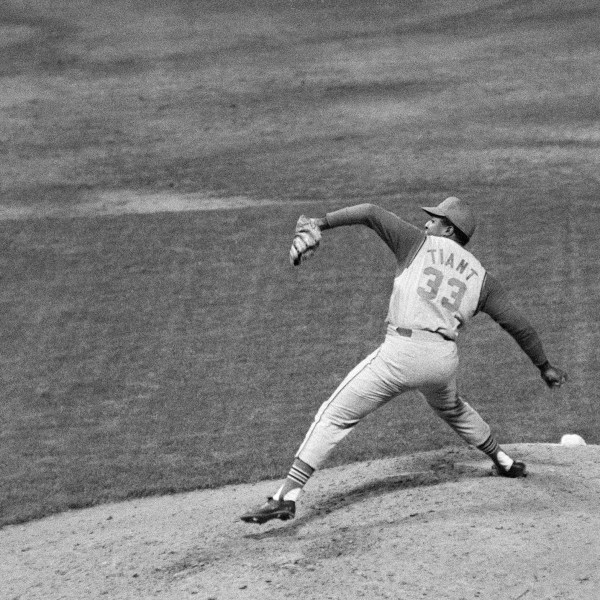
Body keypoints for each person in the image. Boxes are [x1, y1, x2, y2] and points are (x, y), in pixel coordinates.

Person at [240, 197, 567, 525]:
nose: (427, 223)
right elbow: (517, 323)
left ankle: (287, 496)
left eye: (435, 219)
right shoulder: (483, 280)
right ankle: (504, 460)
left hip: (401, 355)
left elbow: (369, 212)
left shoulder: (419, 243)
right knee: (452, 408)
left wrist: (318, 222)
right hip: (441, 362)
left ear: (449, 229)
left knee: (333, 415)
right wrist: (544, 367)